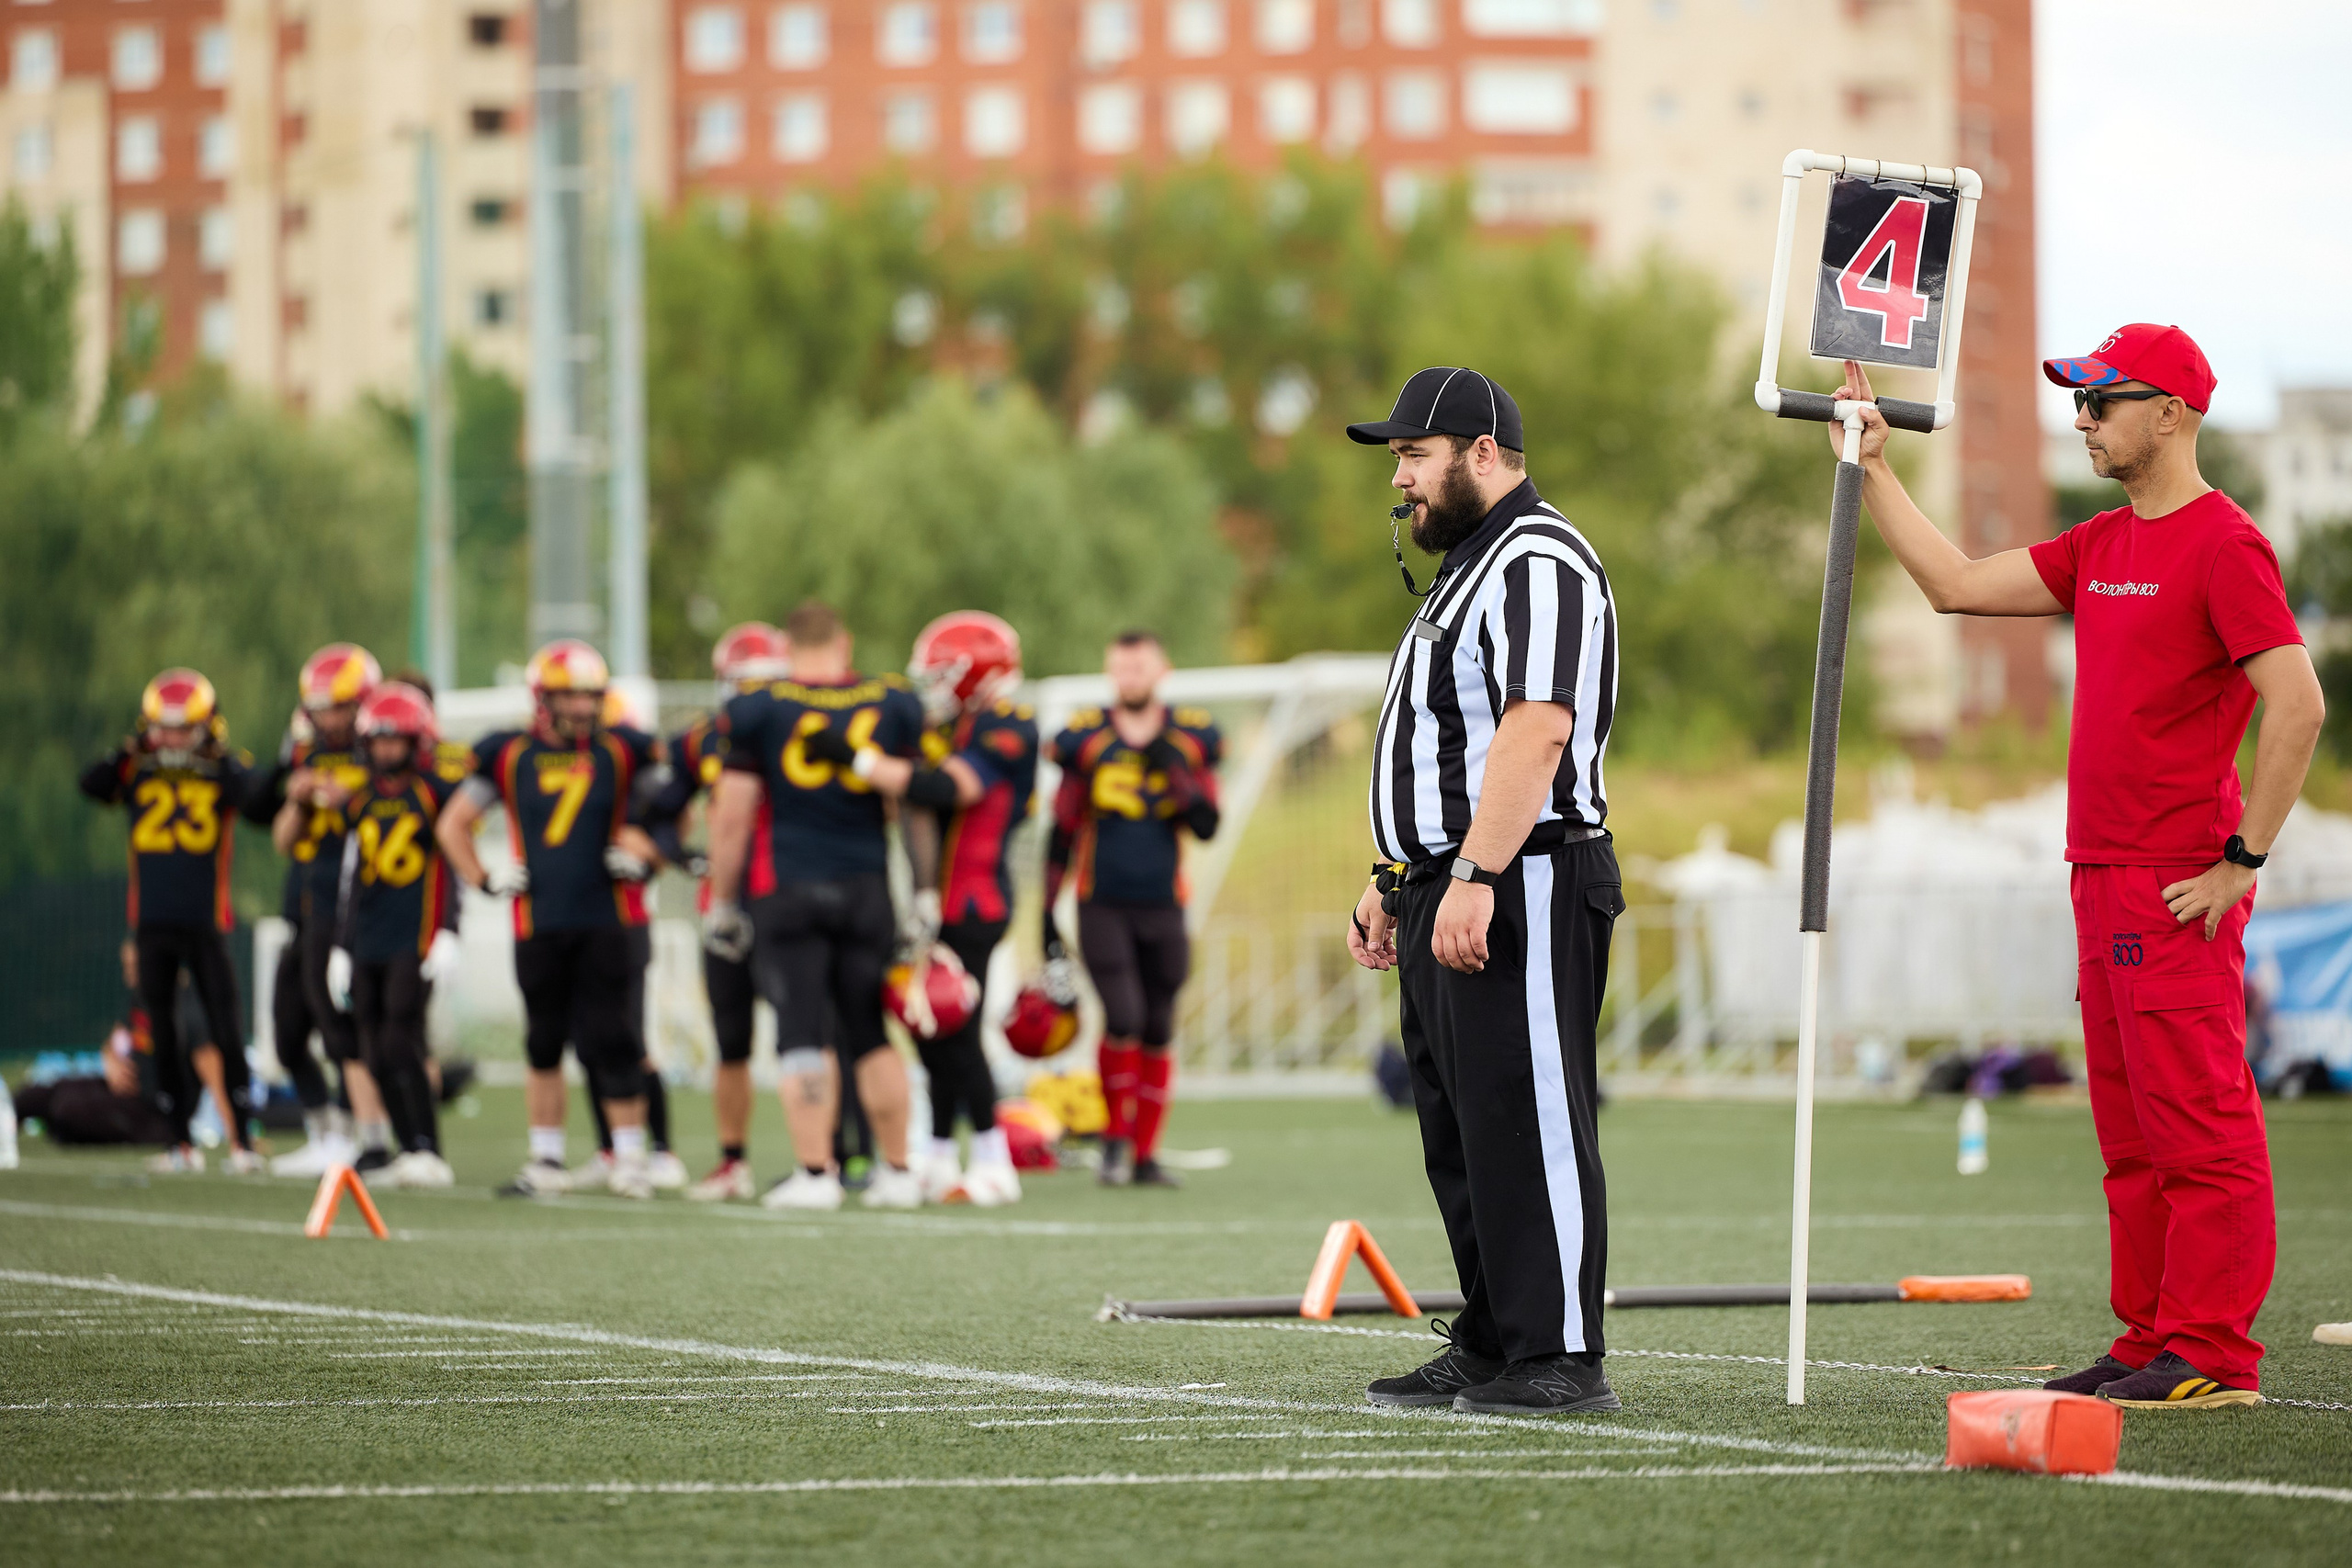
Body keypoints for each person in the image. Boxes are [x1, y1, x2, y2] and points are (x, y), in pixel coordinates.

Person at [1836, 325, 2324, 1409]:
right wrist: (1872, 465)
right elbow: (1955, 585)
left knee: (2199, 1123)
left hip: (2175, 880)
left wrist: (2242, 861)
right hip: (2097, 874)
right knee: (2131, 1132)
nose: (2084, 420)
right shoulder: (2099, 544)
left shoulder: (2224, 543)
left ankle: (2213, 1354)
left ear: (2173, 413)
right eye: (2081, 402)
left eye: (2104, 402)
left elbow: (2297, 705)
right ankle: (2150, 1335)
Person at [1343, 366, 1624, 1416]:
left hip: (1525, 875)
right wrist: (1397, 876)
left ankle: (1558, 1351)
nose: (1401, 481)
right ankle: (1496, 1335)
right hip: (1447, 882)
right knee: (1461, 1125)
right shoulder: (1470, 565)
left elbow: (1536, 725)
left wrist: (1473, 872)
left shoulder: (1536, 556)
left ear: (1482, 453)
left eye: (1414, 456)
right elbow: (1440, 744)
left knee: (1528, 1112)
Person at [808, 610, 1038, 1207]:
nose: (932, 687)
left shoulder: (1008, 723)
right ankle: (938, 1151)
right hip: (941, 897)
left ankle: (992, 1156)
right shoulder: (959, 725)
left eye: (942, 674)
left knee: (956, 1029)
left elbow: (943, 789)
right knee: (931, 1032)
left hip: (977, 897)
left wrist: (855, 759)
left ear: (975, 674)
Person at [703, 600, 927, 1211]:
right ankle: (901, 1170)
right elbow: (906, 804)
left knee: (802, 1029)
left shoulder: (757, 708)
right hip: (866, 885)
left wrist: (723, 899)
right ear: (844, 642)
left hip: (789, 885)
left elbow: (733, 814)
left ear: (787, 646)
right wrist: (922, 889)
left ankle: (815, 1171)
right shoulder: (890, 699)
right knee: (869, 1030)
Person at [435, 639, 666, 1199]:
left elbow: (669, 818)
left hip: (608, 917)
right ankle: (547, 1157)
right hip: (537, 919)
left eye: (590, 697)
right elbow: (452, 824)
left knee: (614, 1038)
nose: (583, 709)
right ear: (543, 699)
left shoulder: (624, 750)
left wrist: (646, 855)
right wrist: (485, 879)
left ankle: (631, 1158)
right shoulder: (509, 754)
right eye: (570, 697)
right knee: (543, 1042)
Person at [1043, 631, 1221, 1189]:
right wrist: (1044, 911)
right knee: (1121, 1016)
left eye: (1139, 666)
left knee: (1158, 1023)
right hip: (1102, 901)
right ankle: (1115, 1144)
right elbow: (1063, 828)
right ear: (1109, 671)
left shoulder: (1188, 737)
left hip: (1165, 903)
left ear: (1161, 668)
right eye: (1121, 667)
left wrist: (1177, 775)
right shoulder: (1086, 738)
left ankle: (1145, 1155)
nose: (1130, 677)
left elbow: (1206, 825)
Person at [77, 669, 265, 1175]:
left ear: (208, 726)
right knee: (162, 1033)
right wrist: (129, 750)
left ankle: (243, 1143)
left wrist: (222, 762)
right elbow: (90, 783)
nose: (174, 738)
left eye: (184, 728)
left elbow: (257, 802)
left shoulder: (223, 770)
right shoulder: (136, 769)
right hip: (153, 922)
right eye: (166, 728)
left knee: (227, 1032)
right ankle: (179, 1142)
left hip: (207, 922)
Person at [643, 622, 792, 1201]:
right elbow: (660, 809)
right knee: (732, 1038)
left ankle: (836, 1158)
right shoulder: (699, 740)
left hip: (788, 895)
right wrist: (685, 856)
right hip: (725, 903)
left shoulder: (804, 729)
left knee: (812, 1034)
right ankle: (733, 1161)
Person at [249, 643, 394, 1177]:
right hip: (306, 899)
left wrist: (347, 801)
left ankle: (362, 1132)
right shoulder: (306, 751)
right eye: (319, 706)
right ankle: (325, 1131)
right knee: (287, 1030)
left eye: (335, 706)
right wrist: (298, 798)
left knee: (340, 1026)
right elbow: (284, 841)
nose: (326, 717)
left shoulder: (380, 751)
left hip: (352, 902)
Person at [325, 682, 461, 1188]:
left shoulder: (433, 792)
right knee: (374, 1048)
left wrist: (449, 930)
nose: (386, 750)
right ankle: (409, 1150)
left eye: (396, 740)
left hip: (416, 934)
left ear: (417, 741)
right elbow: (349, 877)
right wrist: (340, 945)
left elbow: (450, 864)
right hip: (367, 936)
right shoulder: (359, 799)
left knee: (402, 1040)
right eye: (378, 740)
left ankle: (429, 1148)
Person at [565, 682, 687, 1195]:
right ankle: (611, 1146)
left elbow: (671, 830)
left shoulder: (643, 773)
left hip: (626, 916)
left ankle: (659, 1150)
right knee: (589, 1042)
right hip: (580, 916)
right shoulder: (578, 767)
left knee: (628, 1039)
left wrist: (646, 853)